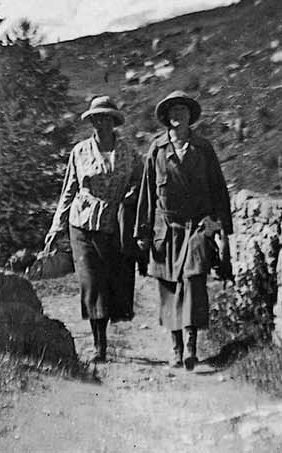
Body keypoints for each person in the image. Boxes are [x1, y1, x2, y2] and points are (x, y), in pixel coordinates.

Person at [134, 90, 232, 370]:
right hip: (166, 229)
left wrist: (221, 227)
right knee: (169, 288)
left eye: (183, 110)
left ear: (190, 116)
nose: (178, 115)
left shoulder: (203, 148)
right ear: (167, 117)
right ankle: (176, 348)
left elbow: (218, 188)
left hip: (197, 227)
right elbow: (147, 193)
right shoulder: (157, 149)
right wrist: (143, 232)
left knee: (194, 280)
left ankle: (191, 345)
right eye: (173, 111)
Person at [42, 95, 143, 363]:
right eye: (97, 119)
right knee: (91, 281)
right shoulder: (80, 152)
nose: (102, 123)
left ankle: (104, 334)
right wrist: (57, 226)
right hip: (83, 223)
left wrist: (132, 196)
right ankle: (99, 344)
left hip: (115, 225)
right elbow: (69, 190)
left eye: (107, 118)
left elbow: (142, 180)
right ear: (92, 122)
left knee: (111, 281)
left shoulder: (129, 152)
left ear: (114, 121)